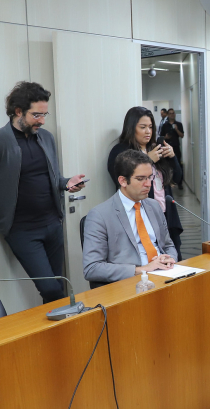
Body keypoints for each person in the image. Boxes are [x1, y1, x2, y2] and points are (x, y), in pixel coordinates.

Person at [0, 81, 86, 304]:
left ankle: (59, 334)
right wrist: (3, 206)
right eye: (37, 115)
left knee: (59, 285)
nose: (42, 121)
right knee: (50, 289)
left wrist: (66, 183)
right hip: (23, 231)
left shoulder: (46, 138)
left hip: (52, 224)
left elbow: (51, 177)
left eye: (45, 115)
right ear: (18, 112)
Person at [84, 150, 178, 288]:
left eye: (149, 177)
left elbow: (168, 245)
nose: (148, 184)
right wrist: (141, 270)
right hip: (130, 283)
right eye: (141, 179)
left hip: (164, 276)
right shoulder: (99, 215)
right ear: (123, 181)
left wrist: (170, 258)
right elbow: (92, 268)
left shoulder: (154, 206)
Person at [108, 106, 184, 261]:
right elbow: (120, 180)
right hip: (140, 216)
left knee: (173, 259)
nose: (148, 131)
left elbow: (177, 178)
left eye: (150, 127)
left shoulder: (156, 147)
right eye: (142, 127)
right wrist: (148, 160)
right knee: (148, 260)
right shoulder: (121, 151)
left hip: (165, 212)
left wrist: (173, 157)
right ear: (131, 128)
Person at [162, 108, 184, 189]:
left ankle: (180, 183)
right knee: (167, 166)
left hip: (176, 148)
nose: (172, 114)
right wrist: (166, 137)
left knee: (178, 164)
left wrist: (176, 129)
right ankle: (168, 182)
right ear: (168, 114)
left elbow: (182, 135)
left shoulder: (179, 124)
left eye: (173, 113)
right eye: (170, 113)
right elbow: (161, 136)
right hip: (166, 148)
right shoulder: (165, 125)